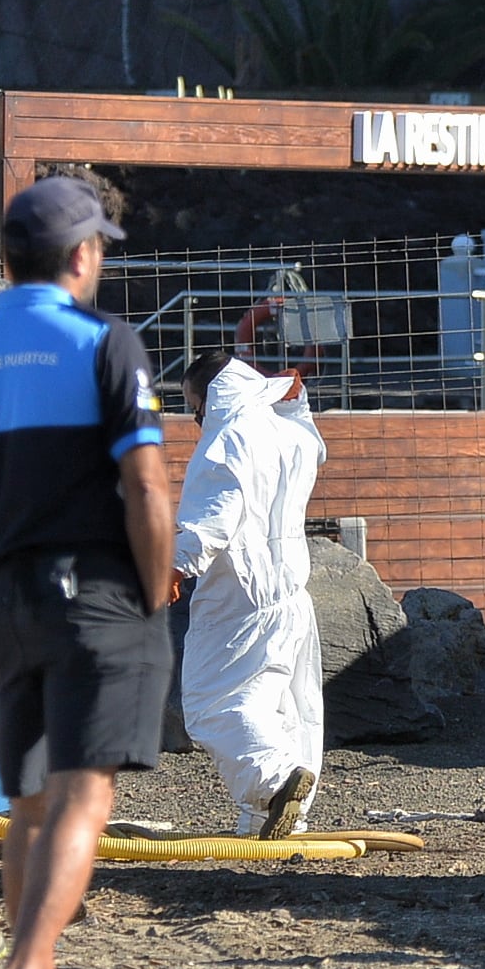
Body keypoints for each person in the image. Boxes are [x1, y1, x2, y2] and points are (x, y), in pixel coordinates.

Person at [0, 176, 176, 969]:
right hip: (94, 591)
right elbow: (145, 483)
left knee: (26, 799)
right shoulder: (103, 343)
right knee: (84, 793)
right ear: (81, 257)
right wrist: (153, 592)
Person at [173, 324, 326, 840]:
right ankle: (273, 817)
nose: (194, 418)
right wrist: (292, 401)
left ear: (210, 395)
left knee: (212, 702)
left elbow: (213, 520)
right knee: (278, 701)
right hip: (289, 589)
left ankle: (277, 780)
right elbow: (312, 443)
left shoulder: (228, 439)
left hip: (239, 592)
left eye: (193, 404)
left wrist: (173, 567)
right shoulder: (284, 431)